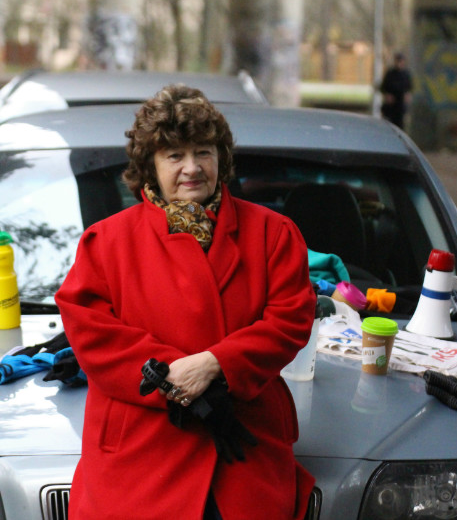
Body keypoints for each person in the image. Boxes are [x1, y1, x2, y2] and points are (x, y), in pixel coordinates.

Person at [54, 85, 317, 520]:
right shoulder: (106, 241)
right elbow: (90, 330)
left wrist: (216, 364)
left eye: (203, 152)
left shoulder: (274, 233)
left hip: (242, 444)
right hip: (141, 453)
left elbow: (290, 320)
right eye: (174, 155)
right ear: (150, 166)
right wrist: (171, 376)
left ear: (221, 159)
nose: (192, 168)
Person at [380, 52, 413, 130]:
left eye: (401, 61)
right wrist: (387, 95)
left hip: (401, 104)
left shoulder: (406, 74)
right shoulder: (390, 74)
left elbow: (409, 88)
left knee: (400, 124)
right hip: (391, 105)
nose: (399, 63)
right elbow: (383, 87)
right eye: (398, 61)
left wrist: (407, 95)